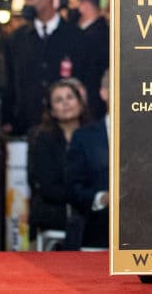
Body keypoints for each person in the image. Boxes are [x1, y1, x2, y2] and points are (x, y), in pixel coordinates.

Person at [3, 0, 89, 136]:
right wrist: (7, 117)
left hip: (68, 127)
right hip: (26, 125)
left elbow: (87, 78)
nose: (25, 4)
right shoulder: (17, 39)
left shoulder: (76, 37)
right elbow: (9, 81)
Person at [27, 79, 89, 244]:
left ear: (80, 103)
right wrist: (86, 196)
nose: (65, 103)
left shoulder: (96, 135)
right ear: (52, 111)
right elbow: (47, 186)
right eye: (58, 100)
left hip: (92, 214)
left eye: (70, 97)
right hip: (53, 213)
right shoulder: (42, 139)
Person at [66, 70, 110, 249]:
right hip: (95, 236)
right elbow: (73, 188)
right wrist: (102, 199)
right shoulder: (84, 137)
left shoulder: (149, 136)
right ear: (104, 93)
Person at [66, 0, 107, 121]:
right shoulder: (80, 34)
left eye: (72, 3)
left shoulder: (101, 36)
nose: (69, 8)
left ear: (85, 5)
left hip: (92, 110)